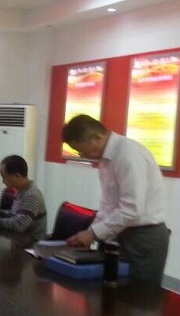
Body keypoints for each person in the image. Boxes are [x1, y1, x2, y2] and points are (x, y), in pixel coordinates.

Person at [61, 114, 170, 284]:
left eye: (82, 151)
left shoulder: (128, 154)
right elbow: (109, 206)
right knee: (110, 289)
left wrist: (93, 233)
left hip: (142, 239)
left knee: (136, 294)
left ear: (97, 138)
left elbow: (132, 209)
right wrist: (92, 232)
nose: (83, 156)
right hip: (119, 234)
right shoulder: (107, 159)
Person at [0, 155, 47, 242]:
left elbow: (18, 225)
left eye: (4, 177)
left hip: (30, 244)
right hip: (18, 240)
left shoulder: (32, 195)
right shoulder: (21, 191)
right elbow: (15, 215)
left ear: (17, 176)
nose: (3, 181)